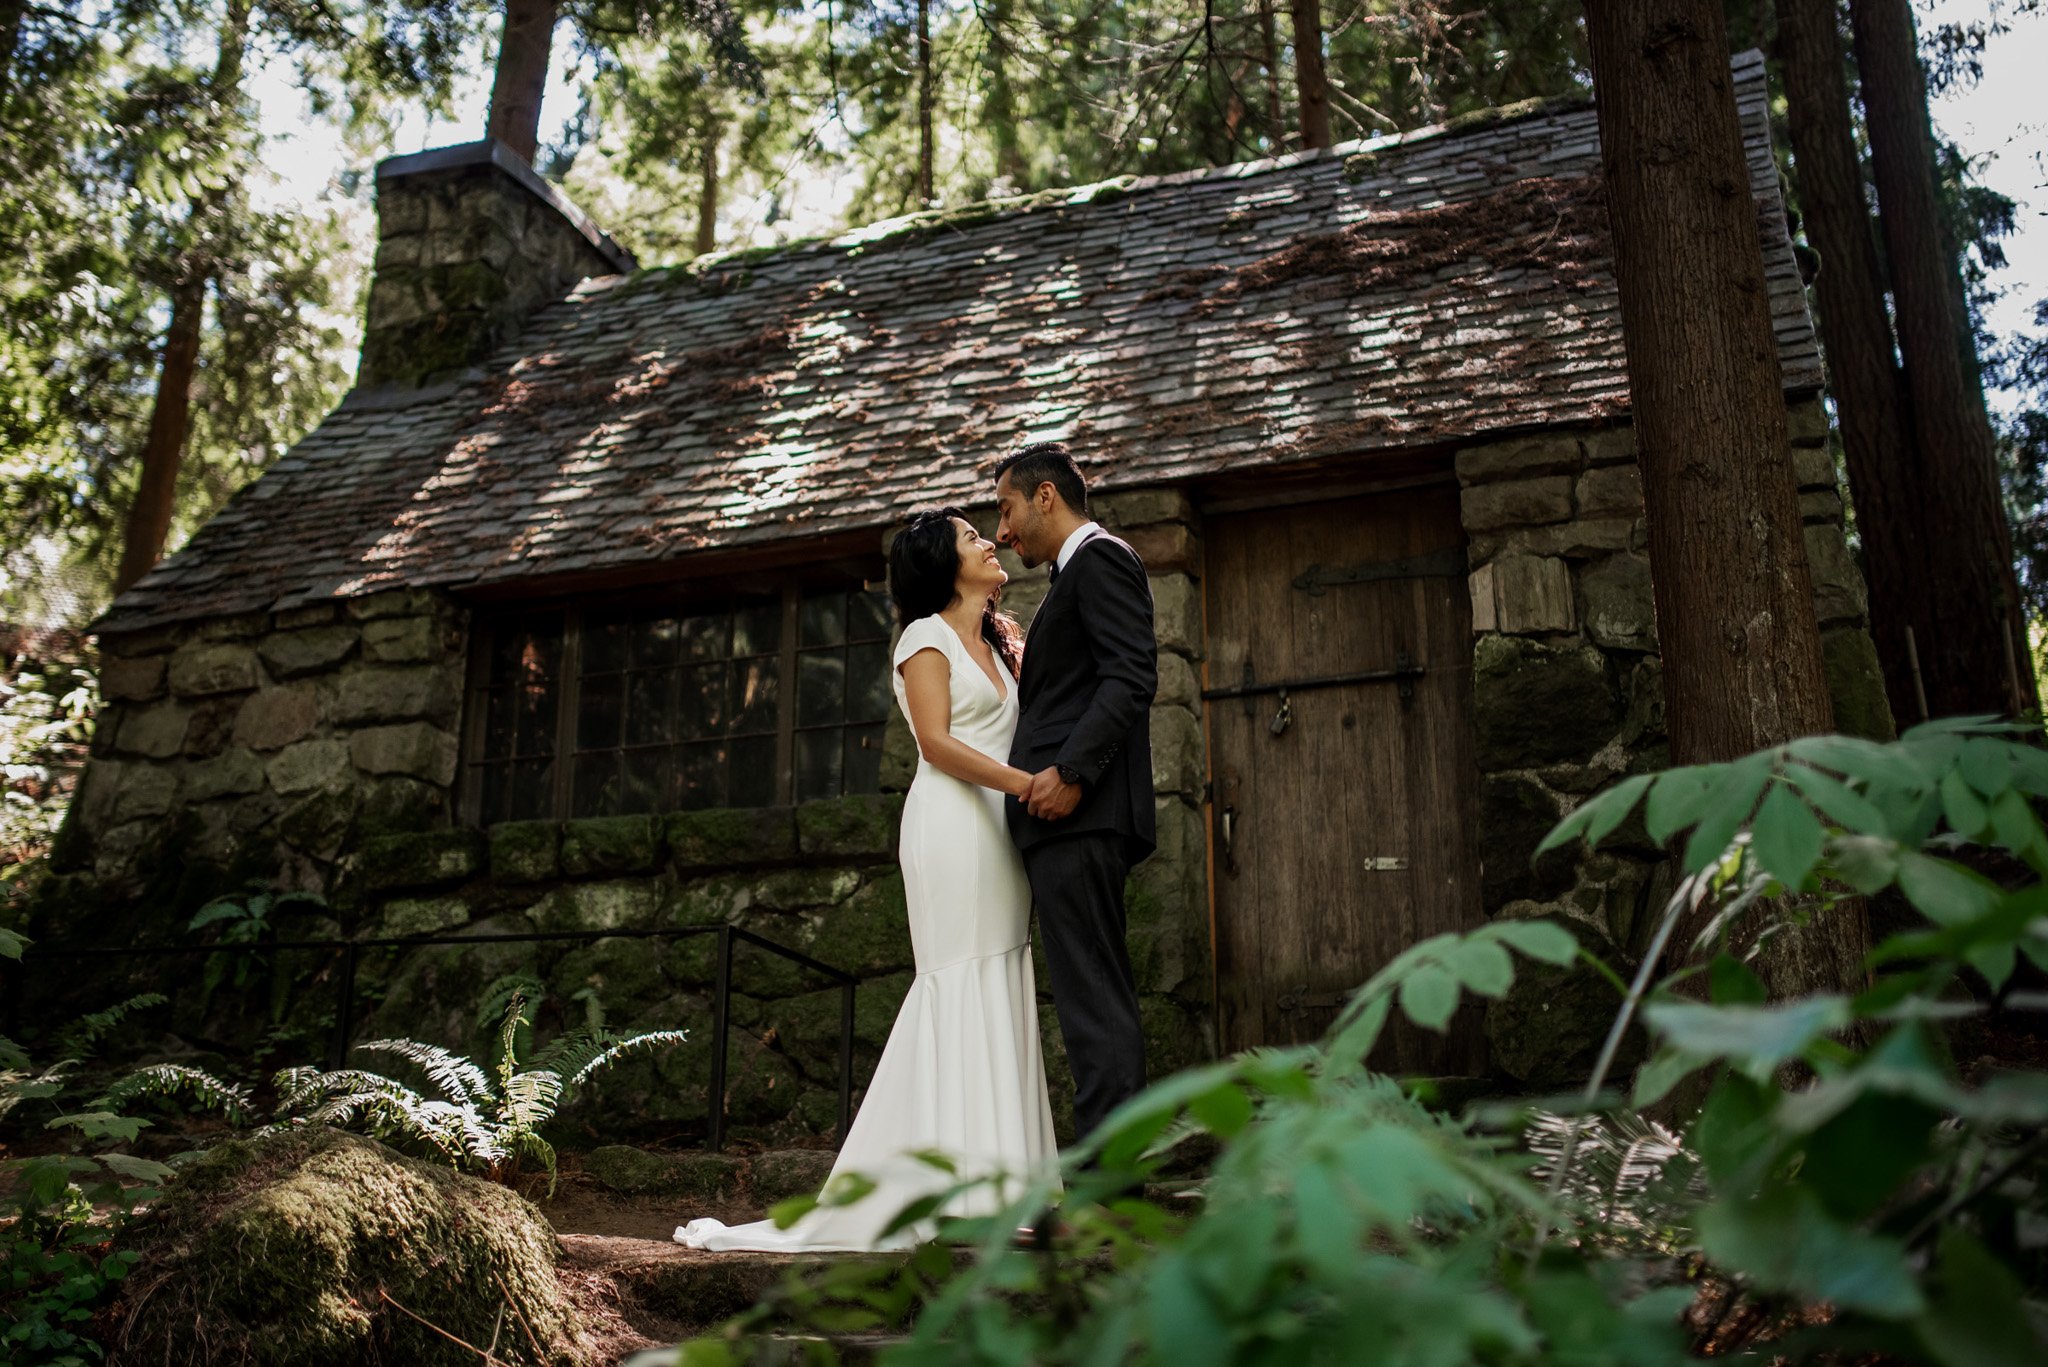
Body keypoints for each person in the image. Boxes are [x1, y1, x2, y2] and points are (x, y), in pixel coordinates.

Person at [675, 509, 1058, 1252]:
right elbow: (941, 745)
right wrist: (1027, 784)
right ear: (943, 567)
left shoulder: (999, 643)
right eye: (971, 537)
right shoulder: (923, 637)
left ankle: (1008, 1187)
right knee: (957, 979)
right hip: (951, 829)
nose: (989, 540)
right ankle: (951, 1190)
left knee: (1001, 976)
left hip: (1001, 838)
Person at [993, 443, 1156, 1145]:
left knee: (1095, 1001)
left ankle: (1110, 1190)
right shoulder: (1072, 576)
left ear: (1046, 497)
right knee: (1092, 997)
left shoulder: (1102, 560)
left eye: (1006, 508)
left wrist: (1073, 772)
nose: (1002, 530)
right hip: (1066, 825)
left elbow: (1130, 677)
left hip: (1079, 817)